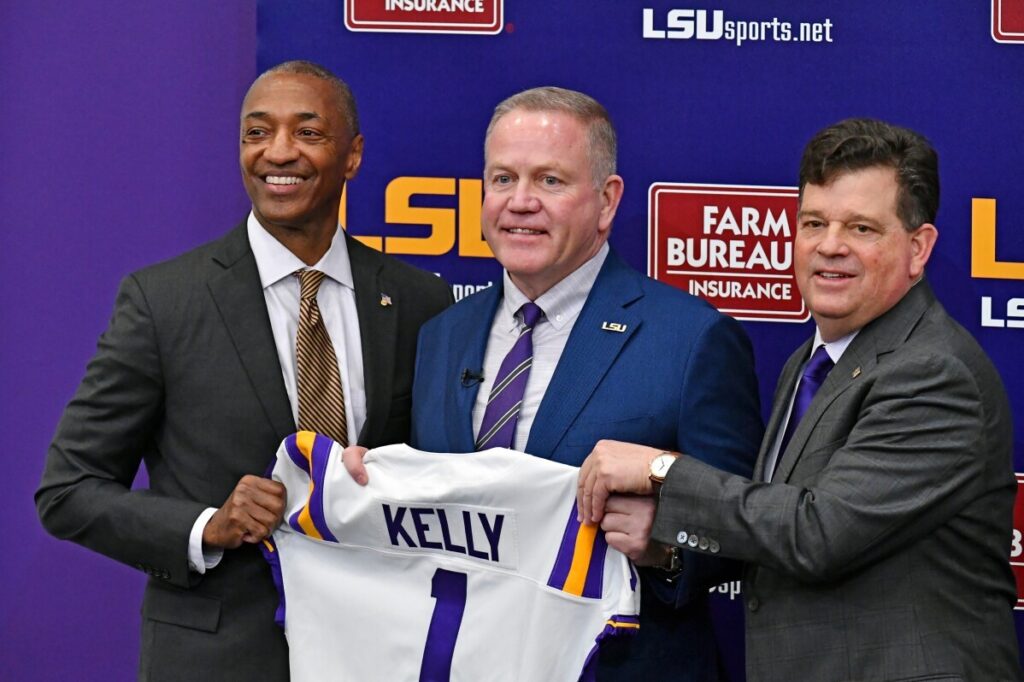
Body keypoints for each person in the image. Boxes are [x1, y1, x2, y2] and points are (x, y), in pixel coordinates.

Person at [36, 60, 452, 681]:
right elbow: (68, 490)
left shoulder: (420, 300)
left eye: (307, 132)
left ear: (353, 155)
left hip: (379, 652)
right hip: (218, 659)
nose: (277, 152)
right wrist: (209, 526)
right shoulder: (164, 301)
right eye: (257, 132)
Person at [578, 118, 1022, 681]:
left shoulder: (933, 372)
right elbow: (775, 530)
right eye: (814, 223)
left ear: (918, 248)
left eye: (861, 228)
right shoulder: (811, 362)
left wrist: (661, 471)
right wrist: (665, 547)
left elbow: (818, 533)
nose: (830, 246)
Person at [346, 86, 762, 680]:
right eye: (502, 179)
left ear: (607, 200)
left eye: (549, 180)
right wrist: (369, 485)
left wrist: (667, 545)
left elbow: (746, 530)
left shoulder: (691, 339)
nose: (520, 203)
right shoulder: (442, 334)